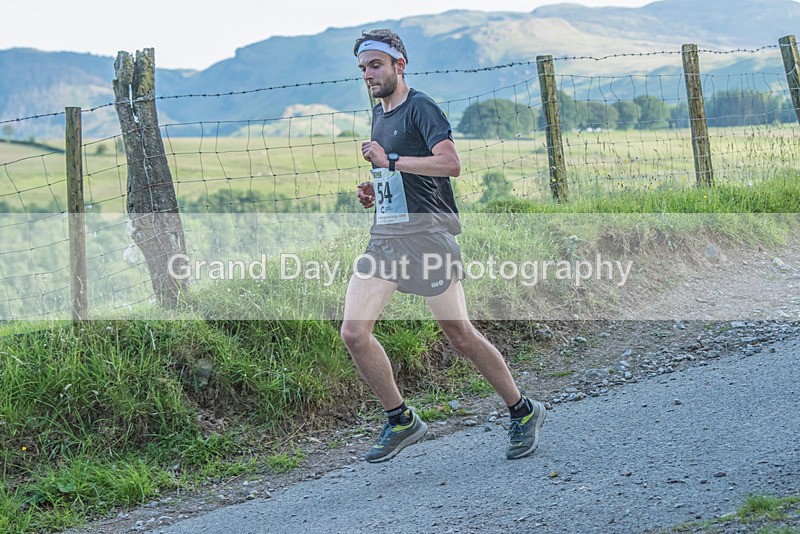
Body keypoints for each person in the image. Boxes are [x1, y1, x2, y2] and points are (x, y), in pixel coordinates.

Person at [341, 28, 546, 463]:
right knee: (354, 332)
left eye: (375, 65)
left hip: (429, 237)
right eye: (362, 68)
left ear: (400, 64)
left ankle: (523, 410)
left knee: (459, 334)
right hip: (387, 239)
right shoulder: (380, 113)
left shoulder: (421, 107)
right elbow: (404, 174)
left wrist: (391, 161)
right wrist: (377, 188)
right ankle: (400, 419)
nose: (368, 75)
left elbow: (449, 164)